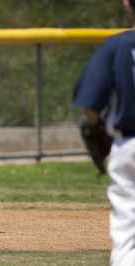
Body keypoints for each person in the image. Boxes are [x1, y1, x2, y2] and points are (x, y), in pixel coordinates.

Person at [73, 1, 135, 264]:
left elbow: (89, 104)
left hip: (130, 145)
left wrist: (96, 128)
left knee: (128, 236)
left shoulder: (116, 45)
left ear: (127, 4)